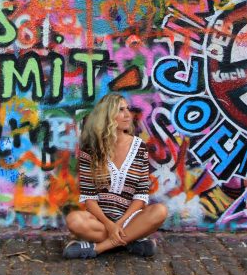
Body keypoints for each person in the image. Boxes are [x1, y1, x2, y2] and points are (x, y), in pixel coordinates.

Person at [63, 93, 168, 259]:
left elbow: (141, 195)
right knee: (74, 220)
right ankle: (132, 240)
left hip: (130, 219)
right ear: (108, 116)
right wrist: (109, 225)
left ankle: (97, 248)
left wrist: (118, 224)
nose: (128, 115)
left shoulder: (138, 147)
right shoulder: (90, 150)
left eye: (127, 109)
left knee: (160, 211)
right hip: (100, 221)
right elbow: (89, 198)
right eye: (121, 110)